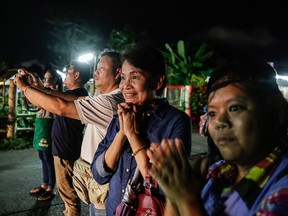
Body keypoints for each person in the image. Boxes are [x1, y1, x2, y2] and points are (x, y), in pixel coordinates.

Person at [146, 56, 288, 215]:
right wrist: (174, 194)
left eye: (235, 108)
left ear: (276, 113)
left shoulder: (281, 190)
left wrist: (187, 199)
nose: (220, 121)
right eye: (212, 113)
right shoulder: (218, 172)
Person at [14, 51, 124, 216]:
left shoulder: (110, 102)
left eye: (101, 67)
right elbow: (73, 100)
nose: (95, 72)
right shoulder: (105, 98)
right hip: (97, 178)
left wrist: (25, 87)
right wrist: (42, 89)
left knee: (73, 200)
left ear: (118, 73)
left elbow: (61, 107)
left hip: (102, 181)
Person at [91, 45, 192, 216]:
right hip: (115, 211)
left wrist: (132, 134)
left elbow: (164, 185)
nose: (125, 86)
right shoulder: (121, 116)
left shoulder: (176, 121)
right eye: (123, 78)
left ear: (158, 81)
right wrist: (122, 132)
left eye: (135, 77)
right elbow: (99, 174)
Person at [14, 61, 90, 216]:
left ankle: (71, 213)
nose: (65, 76)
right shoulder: (70, 94)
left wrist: (26, 87)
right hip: (63, 148)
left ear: (77, 75)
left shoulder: (77, 94)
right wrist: (35, 84)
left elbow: (54, 101)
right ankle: (68, 211)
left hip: (66, 150)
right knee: (65, 191)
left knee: (68, 192)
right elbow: (44, 99)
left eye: (68, 72)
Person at [29, 69, 62, 201]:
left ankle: (50, 188)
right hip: (40, 125)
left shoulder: (55, 93)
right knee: (42, 157)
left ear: (55, 79)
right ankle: (44, 184)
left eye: (49, 78)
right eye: (45, 78)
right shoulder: (42, 91)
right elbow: (34, 104)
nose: (46, 81)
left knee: (48, 159)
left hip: (49, 125)